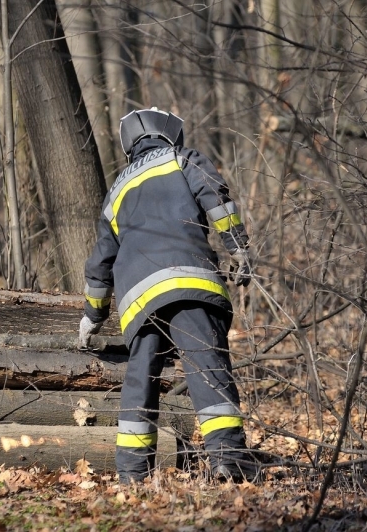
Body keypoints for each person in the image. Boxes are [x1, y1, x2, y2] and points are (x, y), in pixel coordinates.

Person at [78, 107, 257, 484]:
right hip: (189, 283)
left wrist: (92, 317)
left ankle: (131, 475)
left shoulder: (116, 192)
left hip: (139, 303)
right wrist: (238, 247)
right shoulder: (183, 158)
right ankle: (229, 461)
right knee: (207, 370)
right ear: (168, 132)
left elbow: (100, 263)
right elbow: (217, 200)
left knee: (139, 382)